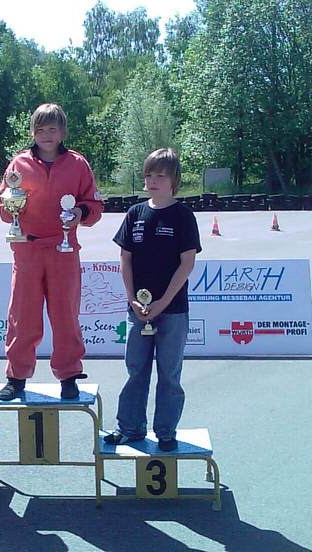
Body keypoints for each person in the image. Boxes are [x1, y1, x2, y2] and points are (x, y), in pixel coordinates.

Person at [0, 103, 104, 400]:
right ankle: (16, 377)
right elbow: (3, 209)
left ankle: (68, 375)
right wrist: (10, 205)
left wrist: (80, 212)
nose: (46, 135)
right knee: (22, 315)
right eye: (40, 129)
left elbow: (95, 207)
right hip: (26, 249)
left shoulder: (78, 164)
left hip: (64, 249)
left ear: (62, 132)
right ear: (32, 132)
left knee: (65, 315)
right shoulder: (19, 164)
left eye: (52, 129)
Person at [105, 148, 201, 451]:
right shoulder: (135, 213)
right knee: (136, 370)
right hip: (138, 310)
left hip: (172, 311)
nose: (153, 180)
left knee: (169, 374)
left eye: (161, 175)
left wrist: (162, 302)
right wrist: (132, 299)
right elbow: (125, 259)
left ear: (174, 180)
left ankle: (166, 431)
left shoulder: (183, 215)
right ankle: (130, 427)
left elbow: (187, 263)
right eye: (149, 174)